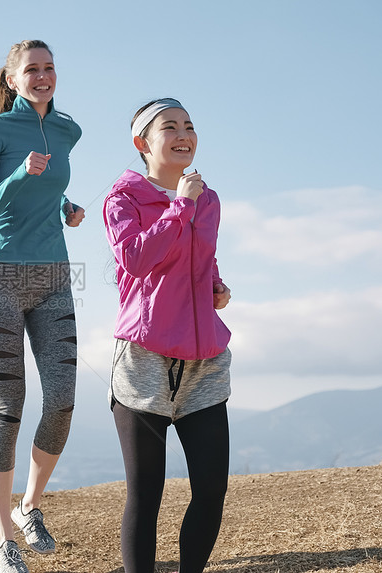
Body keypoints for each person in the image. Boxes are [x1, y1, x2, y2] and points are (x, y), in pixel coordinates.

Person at [102, 98, 233, 573]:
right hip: (144, 357)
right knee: (147, 492)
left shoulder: (208, 198)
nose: (183, 134)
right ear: (143, 143)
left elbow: (202, 257)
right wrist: (181, 204)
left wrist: (215, 286)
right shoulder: (124, 199)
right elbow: (136, 260)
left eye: (190, 126)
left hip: (205, 359)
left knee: (212, 487)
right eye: (170, 127)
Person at [0, 40, 85, 573]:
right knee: (8, 405)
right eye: (32, 70)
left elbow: (51, 185)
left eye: (49, 68)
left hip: (54, 276)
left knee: (62, 399)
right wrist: (19, 176)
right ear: (13, 80)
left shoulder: (67, 130)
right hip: (1, 277)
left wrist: (65, 205)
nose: (43, 76)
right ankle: (0, 534)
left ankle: (30, 506)